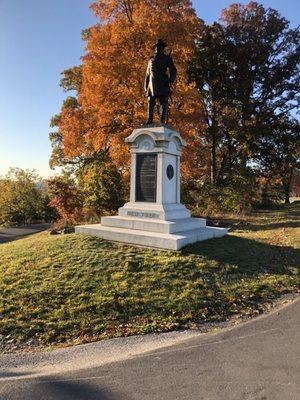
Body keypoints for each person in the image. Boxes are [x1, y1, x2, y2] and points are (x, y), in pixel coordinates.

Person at [144, 39, 177, 124]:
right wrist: (145, 85)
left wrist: (170, 79)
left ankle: (162, 121)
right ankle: (149, 120)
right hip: (152, 84)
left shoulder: (167, 58)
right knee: (150, 101)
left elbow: (173, 70)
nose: (157, 48)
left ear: (163, 48)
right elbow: (147, 74)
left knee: (163, 101)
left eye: (159, 47)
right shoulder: (150, 60)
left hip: (163, 82)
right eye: (156, 47)